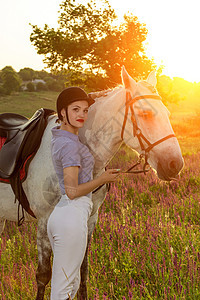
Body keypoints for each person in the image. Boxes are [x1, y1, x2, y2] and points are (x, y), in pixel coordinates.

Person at [47, 87, 121, 300]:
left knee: (70, 285)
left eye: (85, 110)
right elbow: (71, 191)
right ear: (63, 112)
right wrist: (102, 180)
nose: (82, 115)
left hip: (63, 215)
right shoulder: (69, 145)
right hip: (71, 216)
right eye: (75, 109)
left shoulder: (63, 137)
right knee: (63, 291)